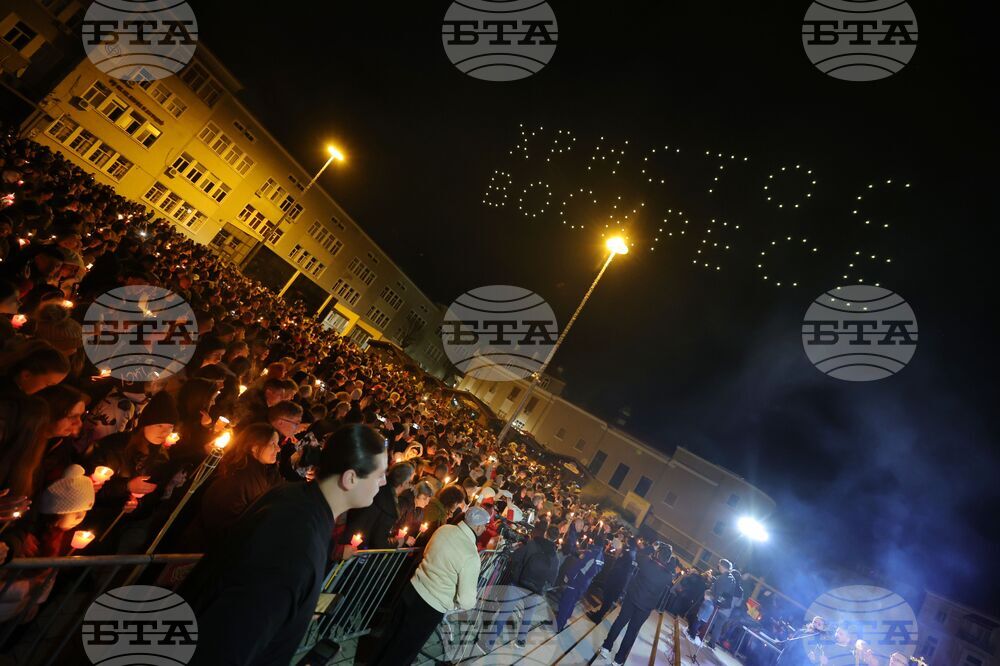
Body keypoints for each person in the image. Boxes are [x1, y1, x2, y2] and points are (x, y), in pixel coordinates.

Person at [180, 424, 388, 666]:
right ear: (350, 478)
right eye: (379, 474)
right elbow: (226, 646)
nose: (383, 482)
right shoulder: (295, 544)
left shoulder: (296, 496)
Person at [370, 506, 490, 666]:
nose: (485, 529)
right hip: (430, 607)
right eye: (485, 525)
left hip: (412, 589)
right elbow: (466, 601)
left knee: (389, 636)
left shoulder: (444, 529)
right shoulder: (470, 554)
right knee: (403, 650)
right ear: (479, 527)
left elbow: (427, 552)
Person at [599, 542, 676, 665]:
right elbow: (671, 568)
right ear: (667, 559)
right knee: (632, 632)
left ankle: (606, 647)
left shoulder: (646, 563)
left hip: (631, 599)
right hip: (645, 607)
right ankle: (618, 659)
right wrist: (671, 556)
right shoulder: (667, 577)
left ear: (657, 553)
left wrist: (652, 547)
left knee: (619, 622)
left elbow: (640, 554)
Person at [486, 524, 560, 649]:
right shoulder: (555, 557)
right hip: (535, 591)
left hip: (517, 584)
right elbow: (552, 580)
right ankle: (520, 641)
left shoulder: (532, 544)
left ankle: (489, 643)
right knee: (528, 615)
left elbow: (515, 558)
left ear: (546, 533)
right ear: (556, 539)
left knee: (504, 613)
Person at [342, 461, 413, 550]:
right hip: (358, 550)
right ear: (404, 483)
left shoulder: (375, 487)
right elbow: (379, 542)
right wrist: (396, 543)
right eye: (410, 482)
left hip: (344, 537)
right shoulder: (389, 506)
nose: (411, 485)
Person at [587, 539, 637, 623]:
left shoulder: (628, 554)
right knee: (607, 599)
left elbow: (619, 566)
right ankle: (599, 613)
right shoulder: (630, 553)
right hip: (618, 580)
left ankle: (598, 617)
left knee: (608, 599)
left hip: (616, 580)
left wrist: (618, 555)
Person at [706, 558, 737, 648]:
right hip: (724, 606)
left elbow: (720, 591)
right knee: (718, 626)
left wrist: (714, 600)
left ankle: (702, 635)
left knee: (710, 621)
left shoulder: (725, 577)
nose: (718, 567)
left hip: (718, 604)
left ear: (723, 566)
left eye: (719, 565)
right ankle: (711, 642)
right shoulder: (730, 578)